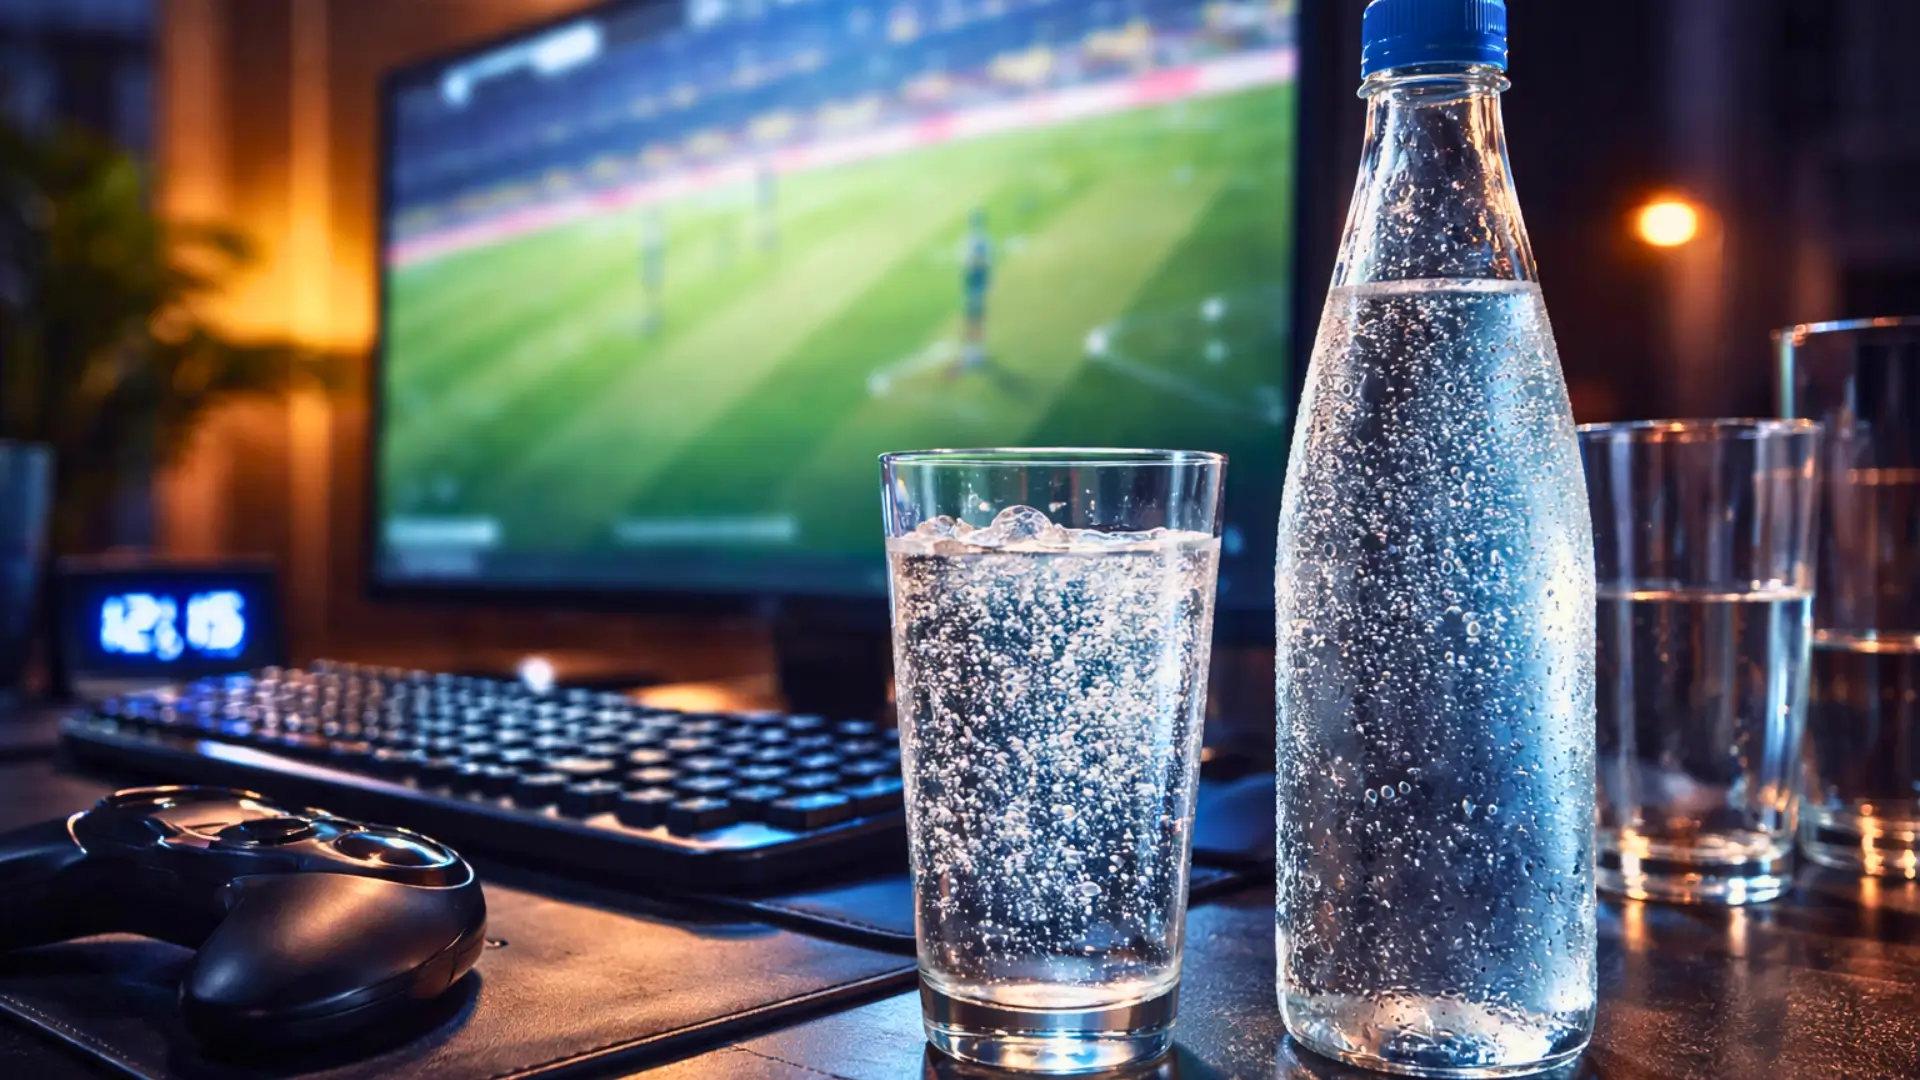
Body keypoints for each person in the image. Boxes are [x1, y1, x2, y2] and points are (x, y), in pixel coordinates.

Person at [956, 207, 992, 373]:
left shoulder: (973, 242)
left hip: (973, 284)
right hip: (977, 284)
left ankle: (974, 352)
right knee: (976, 317)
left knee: (973, 318)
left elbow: (972, 265)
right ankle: (976, 350)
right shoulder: (982, 241)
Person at [640, 209, 666, 333]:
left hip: (652, 266)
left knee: (652, 289)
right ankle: (652, 313)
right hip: (652, 265)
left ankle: (653, 313)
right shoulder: (654, 230)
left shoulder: (653, 231)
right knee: (652, 289)